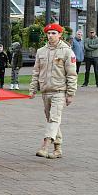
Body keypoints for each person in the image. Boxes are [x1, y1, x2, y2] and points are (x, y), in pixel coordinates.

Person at [28, 23, 77, 159]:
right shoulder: (41, 51)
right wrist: (33, 89)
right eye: (49, 33)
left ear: (60, 35)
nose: (50, 36)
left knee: (54, 118)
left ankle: (45, 145)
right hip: (45, 91)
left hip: (59, 91)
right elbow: (36, 72)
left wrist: (71, 93)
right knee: (52, 120)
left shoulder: (67, 51)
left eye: (54, 33)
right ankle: (58, 148)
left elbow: (72, 74)